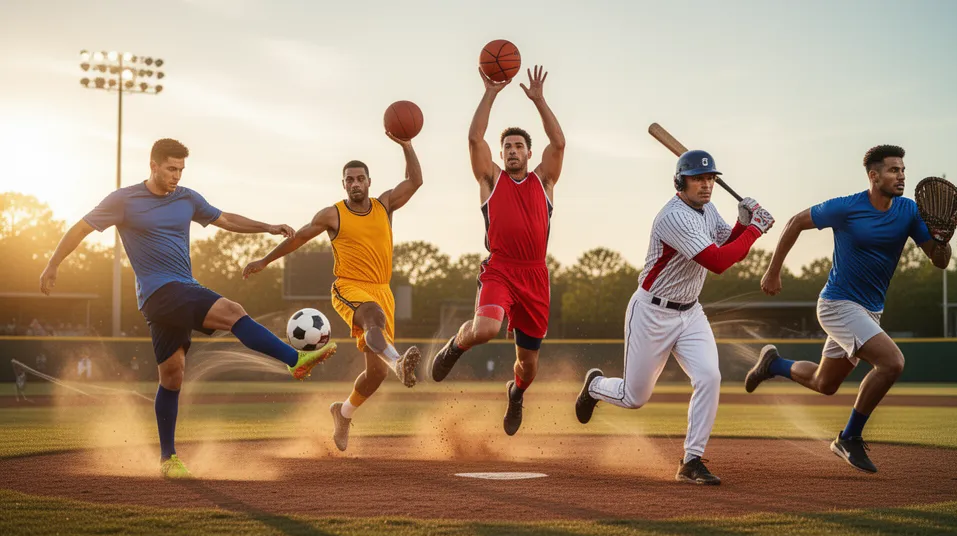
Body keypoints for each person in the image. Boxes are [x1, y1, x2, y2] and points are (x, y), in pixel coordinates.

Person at [39, 138, 337, 479]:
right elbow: (81, 228)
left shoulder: (187, 198)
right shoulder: (124, 200)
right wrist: (53, 264)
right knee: (232, 311)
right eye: (170, 169)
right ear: (153, 165)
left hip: (175, 293)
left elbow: (225, 219)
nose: (176, 176)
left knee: (172, 375)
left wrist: (266, 227)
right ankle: (295, 360)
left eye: (180, 169)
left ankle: (168, 460)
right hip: (160, 292)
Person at [744, 145, 952, 474]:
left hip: (869, 311)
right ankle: (850, 437)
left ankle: (774, 363)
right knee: (892, 363)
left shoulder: (909, 212)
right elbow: (796, 221)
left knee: (824, 383)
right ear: (873, 175)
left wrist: (942, 240)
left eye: (902, 170)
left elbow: (939, 261)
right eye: (893, 170)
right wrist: (773, 271)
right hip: (838, 304)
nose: (901, 175)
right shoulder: (847, 207)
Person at [575, 150, 774, 485]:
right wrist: (755, 228)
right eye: (698, 178)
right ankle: (595, 386)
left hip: (690, 312)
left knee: (710, 377)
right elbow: (719, 261)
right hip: (651, 312)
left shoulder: (708, 209)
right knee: (634, 397)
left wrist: (742, 223)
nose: (706, 185)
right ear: (680, 182)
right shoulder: (674, 217)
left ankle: (691, 460)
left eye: (710, 178)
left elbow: (726, 242)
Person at [244, 130, 423, 452]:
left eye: (360, 179)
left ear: (369, 181)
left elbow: (415, 181)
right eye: (349, 180)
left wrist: (407, 144)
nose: (355, 184)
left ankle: (343, 413)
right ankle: (399, 363)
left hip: (383, 290)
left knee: (375, 374)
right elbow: (298, 237)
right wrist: (265, 260)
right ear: (343, 185)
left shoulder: (384, 205)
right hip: (348, 287)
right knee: (372, 318)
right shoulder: (333, 214)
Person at [430, 65, 565, 437]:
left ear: (529, 152)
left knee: (528, 367)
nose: (512, 151)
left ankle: (515, 393)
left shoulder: (544, 181)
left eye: (519, 146)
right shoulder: (491, 179)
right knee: (487, 328)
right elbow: (475, 138)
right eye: (507, 147)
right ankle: (457, 345)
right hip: (501, 269)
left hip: (536, 275)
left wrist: (539, 100)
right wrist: (490, 91)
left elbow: (559, 144)